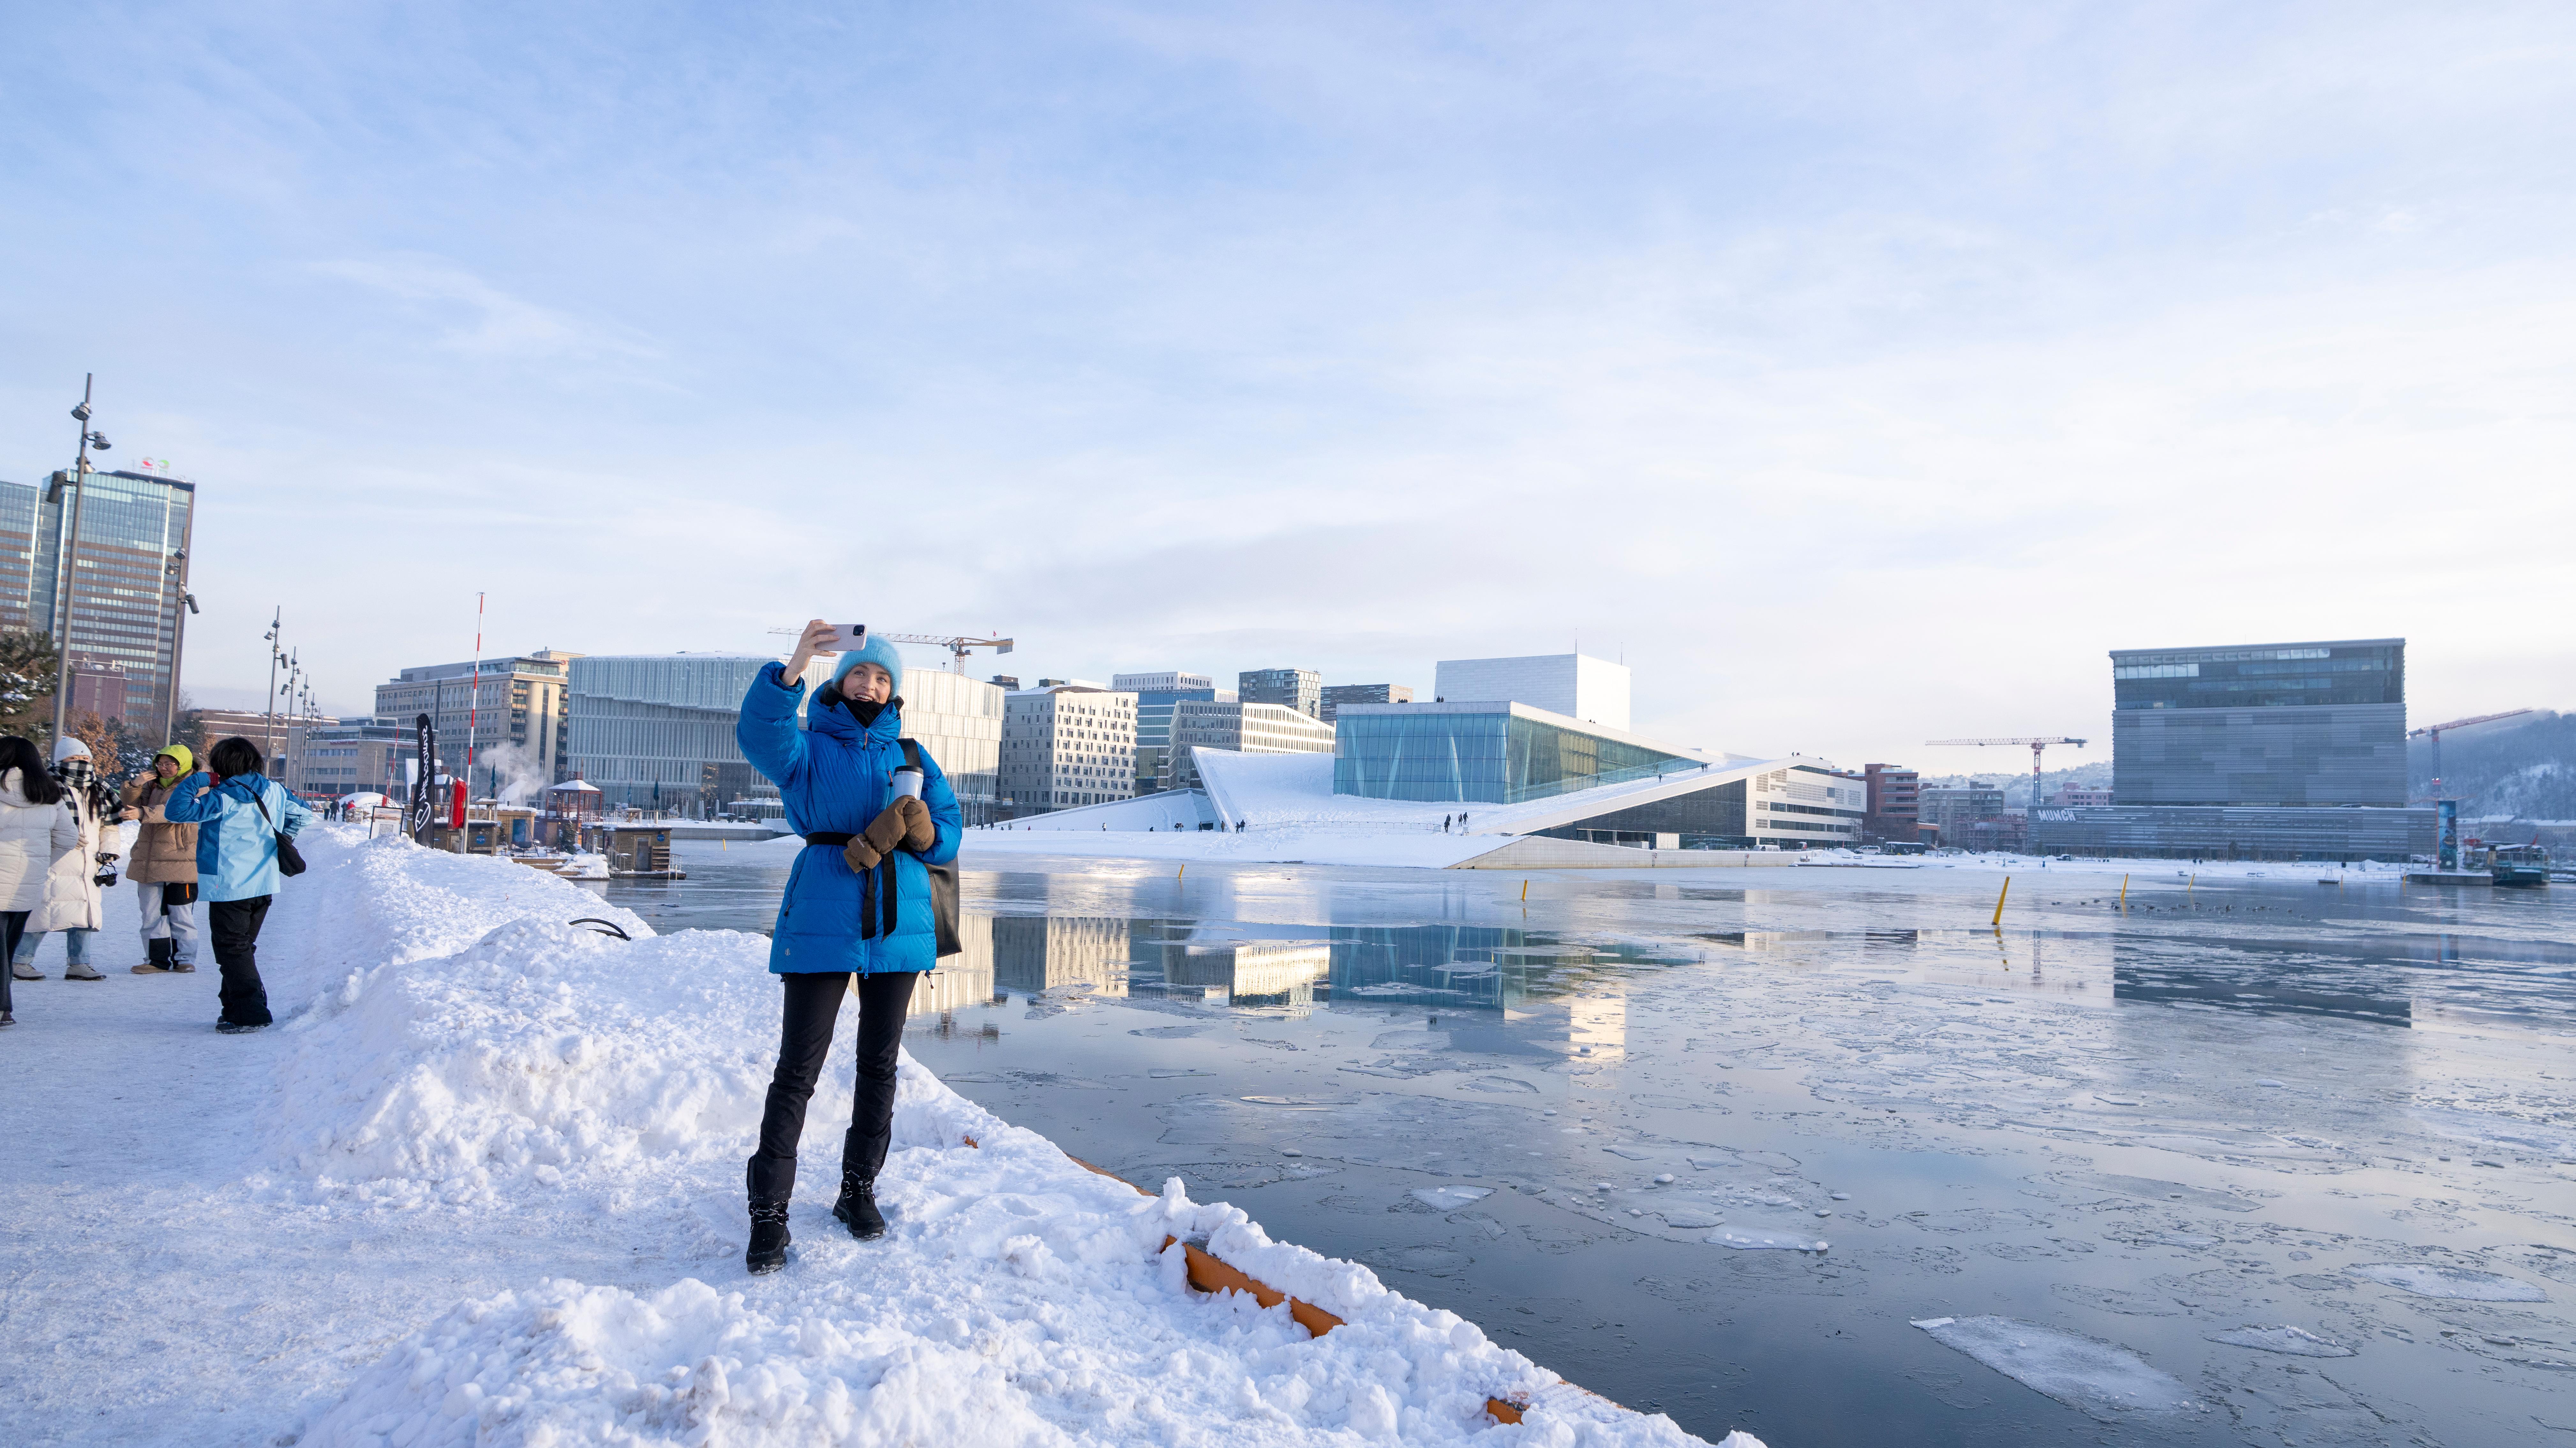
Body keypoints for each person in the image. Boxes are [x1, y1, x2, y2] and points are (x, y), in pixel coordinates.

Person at [734, 619, 962, 1275]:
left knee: (880, 1064)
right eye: (859, 673)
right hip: (825, 910)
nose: (869, 683)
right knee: (797, 1071)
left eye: (881, 676)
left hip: (898, 920)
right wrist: (795, 662)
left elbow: (949, 834)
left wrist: (922, 831)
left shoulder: (912, 757)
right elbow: (759, 736)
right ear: (838, 681)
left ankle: (857, 1189)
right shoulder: (804, 747)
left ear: (893, 690)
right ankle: (769, 1214)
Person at [161, 737, 313, 1033]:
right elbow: (305, 814)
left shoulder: (222, 797)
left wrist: (199, 780)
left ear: (221, 765)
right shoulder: (275, 790)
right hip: (264, 881)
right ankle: (232, 1007)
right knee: (242, 948)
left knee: (232, 949)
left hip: (228, 884)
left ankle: (251, 1012)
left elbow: (176, 812)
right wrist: (285, 837)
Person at [19, 738, 119, 983]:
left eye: (85, 759)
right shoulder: (47, 786)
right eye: (74, 759)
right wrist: (63, 837)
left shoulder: (100, 789)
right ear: (60, 760)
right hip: (56, 859)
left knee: (84, 915)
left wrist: (109, 850)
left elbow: (109, 826)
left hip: (89, 863)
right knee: (43, 912)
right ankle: (20, 961)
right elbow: (38, 819)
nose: (81, 763)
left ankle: (79, 963)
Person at [0, 736, 80, 1024]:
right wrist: (40, 863)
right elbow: (68, 838)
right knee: (7, 948)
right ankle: (4, 1006)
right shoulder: (49, 792)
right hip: (27, 882)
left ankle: (3, 1007)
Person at [120, 744, 201, 974]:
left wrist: (144, 813)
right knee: (151, 913)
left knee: (181, 914)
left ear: (182, 764)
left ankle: (185, 959)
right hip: (149, 858)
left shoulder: (197, 785)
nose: (164, 768)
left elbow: (177, 811)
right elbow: (131, 805)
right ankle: (156, 960)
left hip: (181, 860)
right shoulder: (153, 784)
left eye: (170, 764)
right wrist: (135, 786)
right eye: (161, 763)